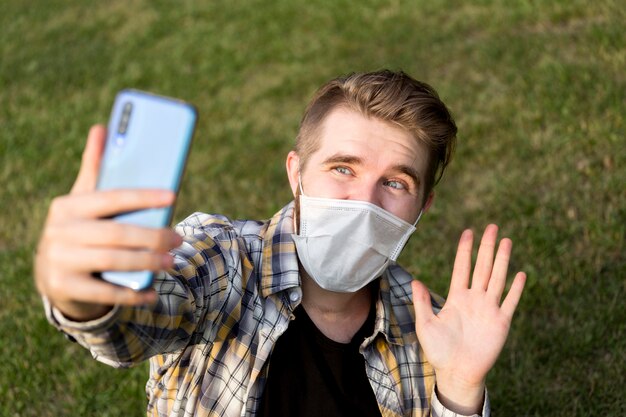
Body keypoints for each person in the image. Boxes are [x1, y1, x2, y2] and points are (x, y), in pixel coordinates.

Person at [35, 70, 526, 417]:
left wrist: (459, 390)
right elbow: (131, 327)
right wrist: (84, 293)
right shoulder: (222, 258)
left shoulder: (431, 331)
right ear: (297, 173)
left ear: (422, 207)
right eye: (342, 169)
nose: (364, 202)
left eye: (396, 183)